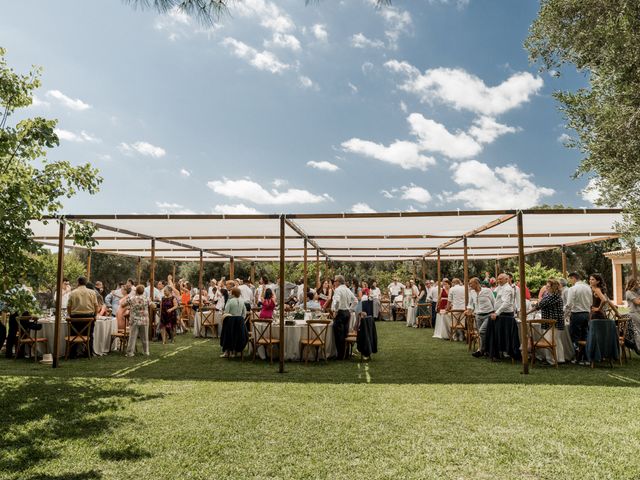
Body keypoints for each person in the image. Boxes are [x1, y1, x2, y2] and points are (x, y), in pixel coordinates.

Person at [66, 276, 99, 357]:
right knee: (89, 335)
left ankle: (73, 353)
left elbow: (68, 306)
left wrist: (70, 314)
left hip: (75, 318)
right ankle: (89, 352)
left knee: (73, 334)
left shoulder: (73, 292)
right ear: (86, 283)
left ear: (78, 283)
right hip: (89, 317)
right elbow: (96, 305)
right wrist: (95, 315)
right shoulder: (92, 292)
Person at [466, 277, 495, 358]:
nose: (470, 285)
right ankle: (484, 350)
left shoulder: (487, 290)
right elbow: (470, 304)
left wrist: (495, 312)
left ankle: (481, 350)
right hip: (478, 315)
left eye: (471, 283)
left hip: (488, 314)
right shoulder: (472, 292)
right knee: (480, 334)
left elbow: (494, 301)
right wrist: (469, 310)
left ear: (477, 283)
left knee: (482, 331)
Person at [564, 272, 593, 354]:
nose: (569, 282)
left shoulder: (572, 289)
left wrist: (564, 315)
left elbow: (569, 304)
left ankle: (576, 356)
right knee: (585, 335)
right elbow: (591, 303)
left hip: (576, 314)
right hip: (586, 313)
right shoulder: (588, 288)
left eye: (570, 279)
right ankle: (585, 355)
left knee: (575, 336)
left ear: (573, 278)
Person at [331, 275, 357, 360]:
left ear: (338, 281)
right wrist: (350, 309)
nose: (334, 283)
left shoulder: (338, 290)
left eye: (335, 281)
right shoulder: (347, 289)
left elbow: (337, 301)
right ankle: (345, 354)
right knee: (345, 333)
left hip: (341, 313)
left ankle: (340, 355)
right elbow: (355, 300)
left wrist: (335, 310)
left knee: (339, 335)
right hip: (347, 313)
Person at [125, 285, 150, 356]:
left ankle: (130, 352)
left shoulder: (132, 298)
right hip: (144, 320)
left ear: (136, 291)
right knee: (145, 337)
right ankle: (146, 352)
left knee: (132, 337)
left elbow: (123, 304)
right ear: (143, 291)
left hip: (134, 320)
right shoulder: (146, 298)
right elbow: (153, 306)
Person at [624, 277, 640, 353]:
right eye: (637, 283)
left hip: (638, 313)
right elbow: (637, 302)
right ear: (633, 284)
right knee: (637, 331)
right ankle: (638, 349)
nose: (639, 284)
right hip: (633, 313)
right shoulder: (628, 293)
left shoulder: (637, 292)